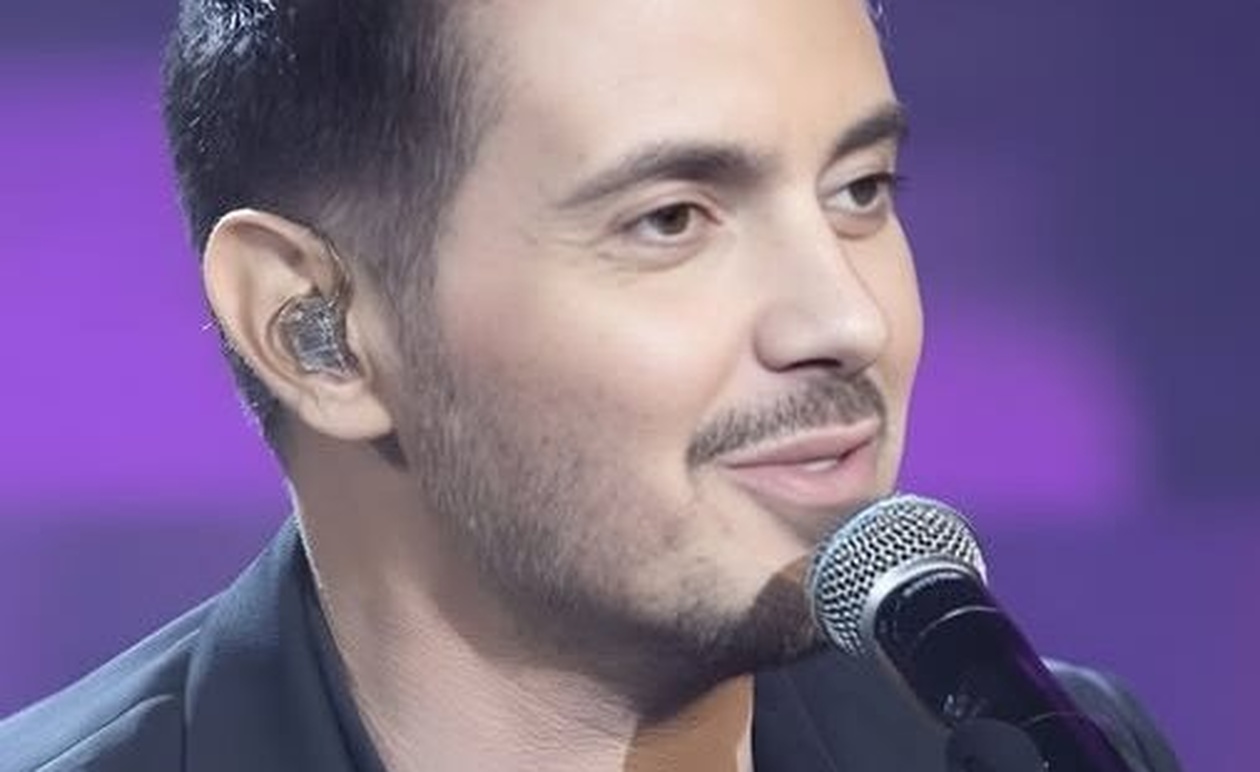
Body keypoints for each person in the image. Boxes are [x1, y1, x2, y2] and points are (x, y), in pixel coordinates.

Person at [0, 0, 1180, 770]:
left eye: (861, 190)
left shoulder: (1049, 747)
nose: (848, 320)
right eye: (671, 219)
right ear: (320, 330)